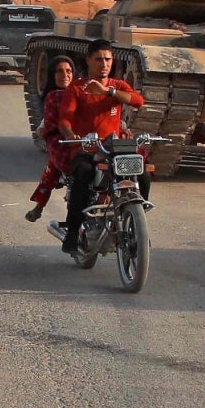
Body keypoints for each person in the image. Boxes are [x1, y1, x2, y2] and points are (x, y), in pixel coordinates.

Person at [57, 43, 146, 255]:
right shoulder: (77, 88)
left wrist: (108, 92)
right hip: (86, 149)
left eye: (108, 59)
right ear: (88, 60)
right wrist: (71, 136)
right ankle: (73, 229)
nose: (104, 64)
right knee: (84, 174)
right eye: (98, 59)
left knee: (142, 173)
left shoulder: (117, 86)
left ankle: (138, 227)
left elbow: (138, 101)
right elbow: (64, 120)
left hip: (114, 147)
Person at [25, 55, 80, 221]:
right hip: (63, 141)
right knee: (57, 164)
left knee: (51, 169)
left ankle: (39, 206)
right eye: (59, 71)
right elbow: (50, 121)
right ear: (51, 75)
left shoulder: (81, 93)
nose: (65, 75)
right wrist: (45, 128)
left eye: (69, 71)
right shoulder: (54, 96)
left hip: (83, 138)